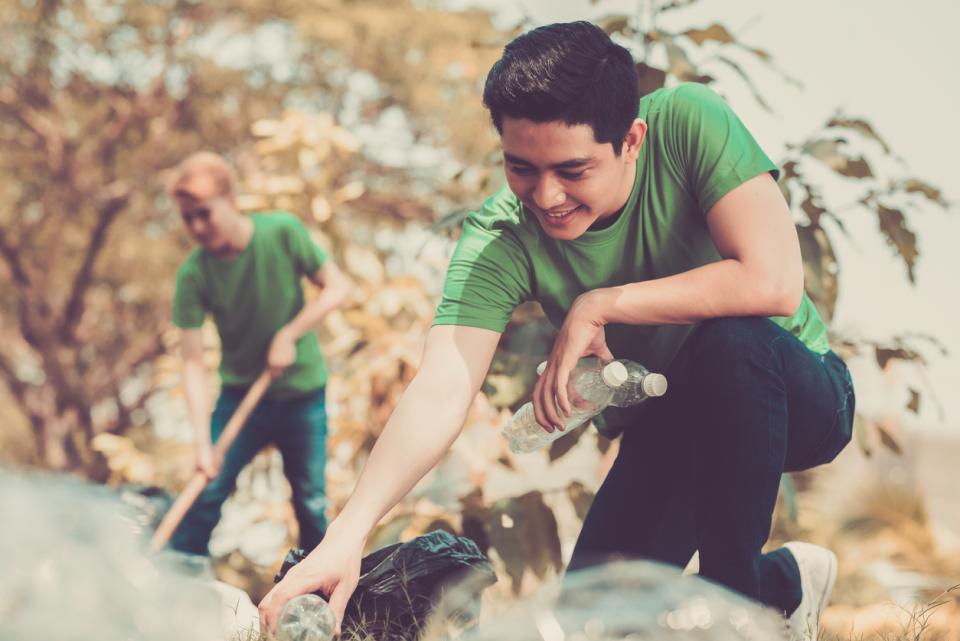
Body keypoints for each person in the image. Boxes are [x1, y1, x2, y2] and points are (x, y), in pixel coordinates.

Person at [259, 22, 855, 641]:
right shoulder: (500, 236)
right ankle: (785, 584)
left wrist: (599, 305)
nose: (547, 196)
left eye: (573, 170)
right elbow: (442, 387)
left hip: (796, 397)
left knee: (731, 342)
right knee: (590, 625)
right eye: (522, 168)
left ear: (630, 140)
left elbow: (773, 280)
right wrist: (346, 536)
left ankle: (740, 621)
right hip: (670, 427)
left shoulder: (688, 121)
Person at [166, 152, 349, 557]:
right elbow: (193, 363)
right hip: (240, 398)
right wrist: (201, 443)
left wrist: (290, 333)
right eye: (187, 217)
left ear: (230, 200)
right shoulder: (194, 275)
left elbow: (336, 287)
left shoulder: (282, 232)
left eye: (203, 213)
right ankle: (176, 587)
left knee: (311, 504)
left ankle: (318, 607)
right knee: (205, 496)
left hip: (302, 394)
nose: (197, 226)